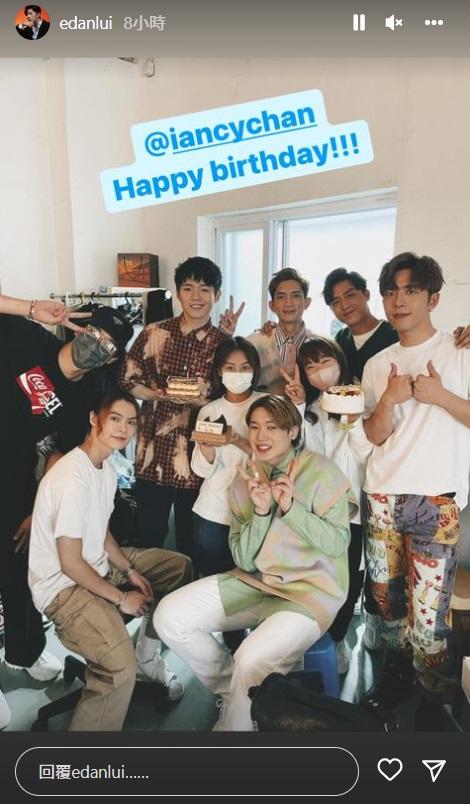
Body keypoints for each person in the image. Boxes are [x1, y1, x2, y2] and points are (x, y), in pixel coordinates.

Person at [154, 396, 353, 731]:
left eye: (272, 427)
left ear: (292, 431)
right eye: (255, 427)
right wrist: (261, 512)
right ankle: (237, 692)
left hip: (311, 592)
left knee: (251, 658)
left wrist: (291, 508)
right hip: (257, 582)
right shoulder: (245, 479)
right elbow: (244, 560)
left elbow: (337, 543)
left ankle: (238, 716)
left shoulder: (322, 471)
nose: (261, 435)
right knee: (168, 616)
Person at [0, 304, 133, 730]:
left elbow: (63, 455)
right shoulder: (28, 339)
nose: (98, 345)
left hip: (18, 481)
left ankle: (22, 652)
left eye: (109, 346)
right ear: (78, 328)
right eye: (95, 333)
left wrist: (38, 509)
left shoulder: (86, 398)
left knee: (17, 572)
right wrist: (33, 309)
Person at [28, 391, 192, 731]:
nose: (123, 429)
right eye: (115, 419)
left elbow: (100, 531)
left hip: (98, 564)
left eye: (131, 422)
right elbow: (70, 563)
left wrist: (130, 570)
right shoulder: (71, 477)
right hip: (64, 588)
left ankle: (146, 656)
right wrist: (121, 598)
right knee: (118, 668)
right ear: (94, 419)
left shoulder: (106, 468)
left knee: (178, 568)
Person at [360, 252, 470, 714]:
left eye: (411, 290)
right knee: (386, 605)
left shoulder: (460, 351)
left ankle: (435, 699)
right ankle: (396, 679)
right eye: (391, 291)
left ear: (433, 299)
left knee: (428, 618)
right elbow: (373, 434)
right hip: (382, 496)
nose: (399, 300)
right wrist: (388, 399)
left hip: (436, 500)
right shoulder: (376, 363)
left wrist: (440, 396)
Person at [120, 257, 227, 559]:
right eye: (188, 288)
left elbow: (230, 399)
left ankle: (188, 588)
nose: (196, 297)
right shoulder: (153, 333)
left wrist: (201, 400)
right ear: (178, 293)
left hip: (197, 459)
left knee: (192, 541)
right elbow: (127, 379)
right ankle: (145, 588)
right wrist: (156, 394)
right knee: (148, 535)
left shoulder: (225, 344)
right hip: (153, 454)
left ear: (216, 295)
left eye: (204, 289)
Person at [283, 337, 373, 674]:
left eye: (325, 362)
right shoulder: (312, 409)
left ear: (339, 361)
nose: (319, 372)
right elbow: (304, 453)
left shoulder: (362, 398)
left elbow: (366, 454)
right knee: (315, 576)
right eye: (310, 367)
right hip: (319, 508)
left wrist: (352, 418)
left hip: (354, 509)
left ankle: (336, 640)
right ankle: (308, 639)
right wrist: (299, 406)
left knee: (350, 580)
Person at [191, 336, 265, 577]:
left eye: (244, 368)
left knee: (250, 582)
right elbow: (200, 470)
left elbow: (277, 457)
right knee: (211, 582)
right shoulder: (209, 410)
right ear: (219, 371)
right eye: (230, 368)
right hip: (213, 511)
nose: (238, 374)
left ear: (254, 370)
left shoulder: (266, 405)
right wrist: (206, 448)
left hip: (254, 511)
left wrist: (238, 441)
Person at [247, 268, 313, 394]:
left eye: (296, 296)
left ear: (307, 302)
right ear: (272, 305)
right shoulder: (254, 343)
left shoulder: (319, 345)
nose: (288, 303)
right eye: (281, 297)